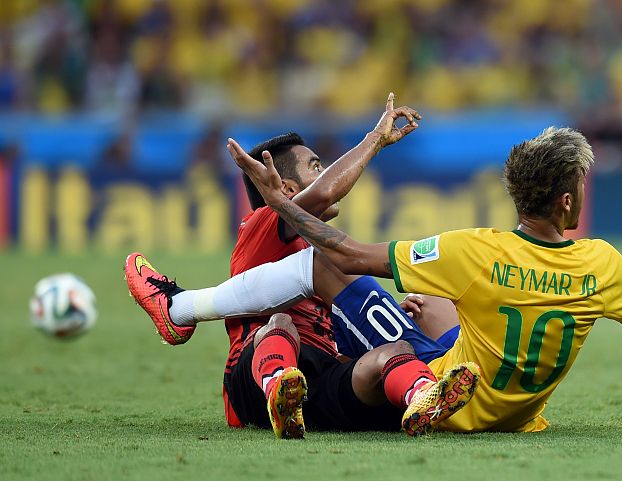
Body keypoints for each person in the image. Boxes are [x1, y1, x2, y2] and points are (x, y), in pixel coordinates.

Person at [216, 126, 622, 432]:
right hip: (517, 416)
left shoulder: (474, 250)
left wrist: (278, 204)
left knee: (374, 289)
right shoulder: (601, 263)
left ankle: (193, 310)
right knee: (428, 301)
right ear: (568, 201)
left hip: (449, 390)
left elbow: (347, 252)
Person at [126, 94, 479, 438]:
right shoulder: (264, 225)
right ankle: (277, 386)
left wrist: (390, 318)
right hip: (253, 378)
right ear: (287, 188)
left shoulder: (320, 253)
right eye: (316, 167)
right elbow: (324, 193)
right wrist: (375, 139)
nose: (326, 172)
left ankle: (423, 396)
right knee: (280, 324)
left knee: (393, 352)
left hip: (319, 382)